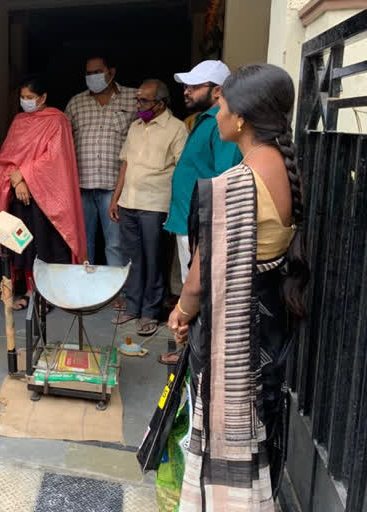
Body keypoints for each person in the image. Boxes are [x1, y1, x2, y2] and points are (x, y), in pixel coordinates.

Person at [168, 63, 308, 510]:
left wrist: (182, 313)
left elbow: (199, 277)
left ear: (242, 118)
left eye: (223, 105)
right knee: (257, 429)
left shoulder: (235, 184)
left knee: (228, 432)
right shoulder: (285, 171)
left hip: (234, 332)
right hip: (269, 326)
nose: (219, 113)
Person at [159, 60, 242, 365]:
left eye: (195, 86)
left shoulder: (223, 123)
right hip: (188, 221)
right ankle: (189, 352)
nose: (186, 91)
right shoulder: (204, 120)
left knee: (198, 291)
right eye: (186, 85)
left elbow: (224, 178)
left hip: (203, 224)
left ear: (218, 90)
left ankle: (194, 357)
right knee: (191, 288)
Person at [0, 75, 87, 311]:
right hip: (21, 197)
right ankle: (28, 290)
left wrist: (23, 174)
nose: (26, 101)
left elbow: (55, 159)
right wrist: (17, 181)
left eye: (30, 97)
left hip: (45, 198)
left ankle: (47, 294)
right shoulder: (19, 120)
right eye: (23, 98)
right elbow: (8, 156)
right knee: (24, 246)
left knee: (46, 246)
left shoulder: (57, 120)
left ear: (43, 97)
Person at [109, 80, 187, 336]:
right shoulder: (134, 127)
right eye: (138, 99)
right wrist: (116, 198)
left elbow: (182, 169)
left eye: (143, 101)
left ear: (160, 103)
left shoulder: (176, 129)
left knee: (155, 260)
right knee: (133, 258)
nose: (138, 104)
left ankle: (150, 312)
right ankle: (132, 305)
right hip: (129, 202)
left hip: (156, 205)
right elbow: (125, 165)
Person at [65, 54, 136, 271]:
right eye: (88, 73)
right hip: (82, 186)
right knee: (84, 242)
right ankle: (87, 289)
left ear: (111, 72)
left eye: (97, 72)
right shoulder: (76, 102)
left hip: (115, 187)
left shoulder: (133, 98)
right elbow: (62, 140)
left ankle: (119, 292)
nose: (92, 77)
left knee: (115, 243)